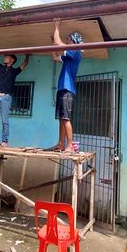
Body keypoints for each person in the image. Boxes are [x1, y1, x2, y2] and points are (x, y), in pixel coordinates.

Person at [0, 34, 30, 147]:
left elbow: (24, 64)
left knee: (5, 121)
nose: (4, 57)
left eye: (7, 56)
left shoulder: (14, 71)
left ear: (12, 60)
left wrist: (27, 56)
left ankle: (5, 141)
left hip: (6, 98)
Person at [50, 18, 83, 152]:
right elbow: (55, 57)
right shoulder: (69, 56)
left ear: (74, 41)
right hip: (62, 88)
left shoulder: (75, 52)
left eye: (69, 39)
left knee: (65, 118)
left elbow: (59, 44)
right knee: (61, 119)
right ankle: (60, 144)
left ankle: (69, 145)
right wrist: (53, 44)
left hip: (67, 89)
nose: (67, 41)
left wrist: (57, 27)